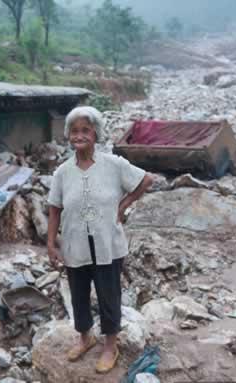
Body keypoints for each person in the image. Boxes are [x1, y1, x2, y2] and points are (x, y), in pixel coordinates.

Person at [47, 106, 153, 373]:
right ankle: (85, 337)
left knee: (109, 296)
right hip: (74, 244)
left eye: (85, 130)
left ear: (96, 134)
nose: (79, 135)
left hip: (108, 244)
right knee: (79, 296)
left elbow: (146, 180)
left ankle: (110, 346)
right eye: (74, 131)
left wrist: (123, 205)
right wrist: (51, 243)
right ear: (68, 135)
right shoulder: (63, 172)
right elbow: (54, 209)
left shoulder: (113, 164)